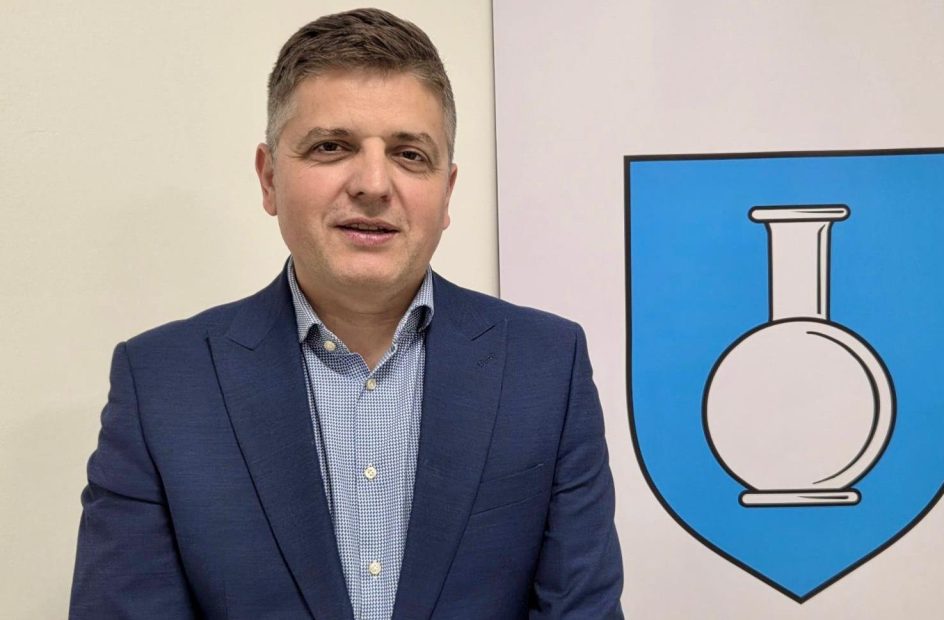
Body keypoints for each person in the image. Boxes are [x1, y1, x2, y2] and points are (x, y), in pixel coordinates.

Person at [70, 8, 623, 619]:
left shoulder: (546, 369)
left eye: (410, 154)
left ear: (447, 192)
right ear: (269, 178)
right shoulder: (162, 385)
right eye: (332, 147)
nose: (373, 184)